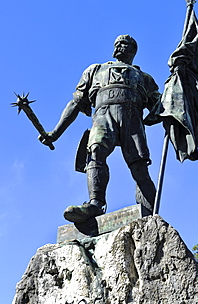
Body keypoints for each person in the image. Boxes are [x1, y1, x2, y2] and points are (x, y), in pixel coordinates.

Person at [39, 35, 161, 223]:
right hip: (104, 117)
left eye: (125, 44)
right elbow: (75, 104)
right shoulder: (95, 70)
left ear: (133, 51)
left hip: (133, 121)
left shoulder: (145, 79)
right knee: (95, 152)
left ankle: (149, 212)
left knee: (139, 165)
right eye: (117, 44)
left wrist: (178, 90)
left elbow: (161, 107)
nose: (120, 46)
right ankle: (95, 204)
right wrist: (55, 133)